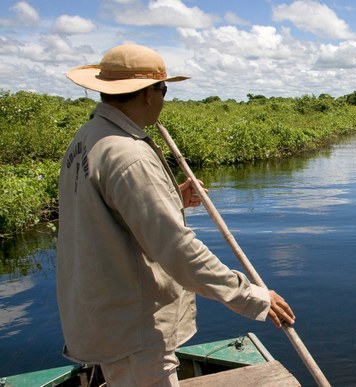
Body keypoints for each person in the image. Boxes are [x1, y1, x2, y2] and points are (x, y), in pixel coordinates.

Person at [57, 44, 295, 386]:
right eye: (163, 89)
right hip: (133, 331)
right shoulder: (129, 155)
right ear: (147, 95)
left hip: (102, 320)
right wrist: (253, 296)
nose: (165, 98)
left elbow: (106, 218)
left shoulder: (87, 138)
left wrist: (173, 198)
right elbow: (177, 249)